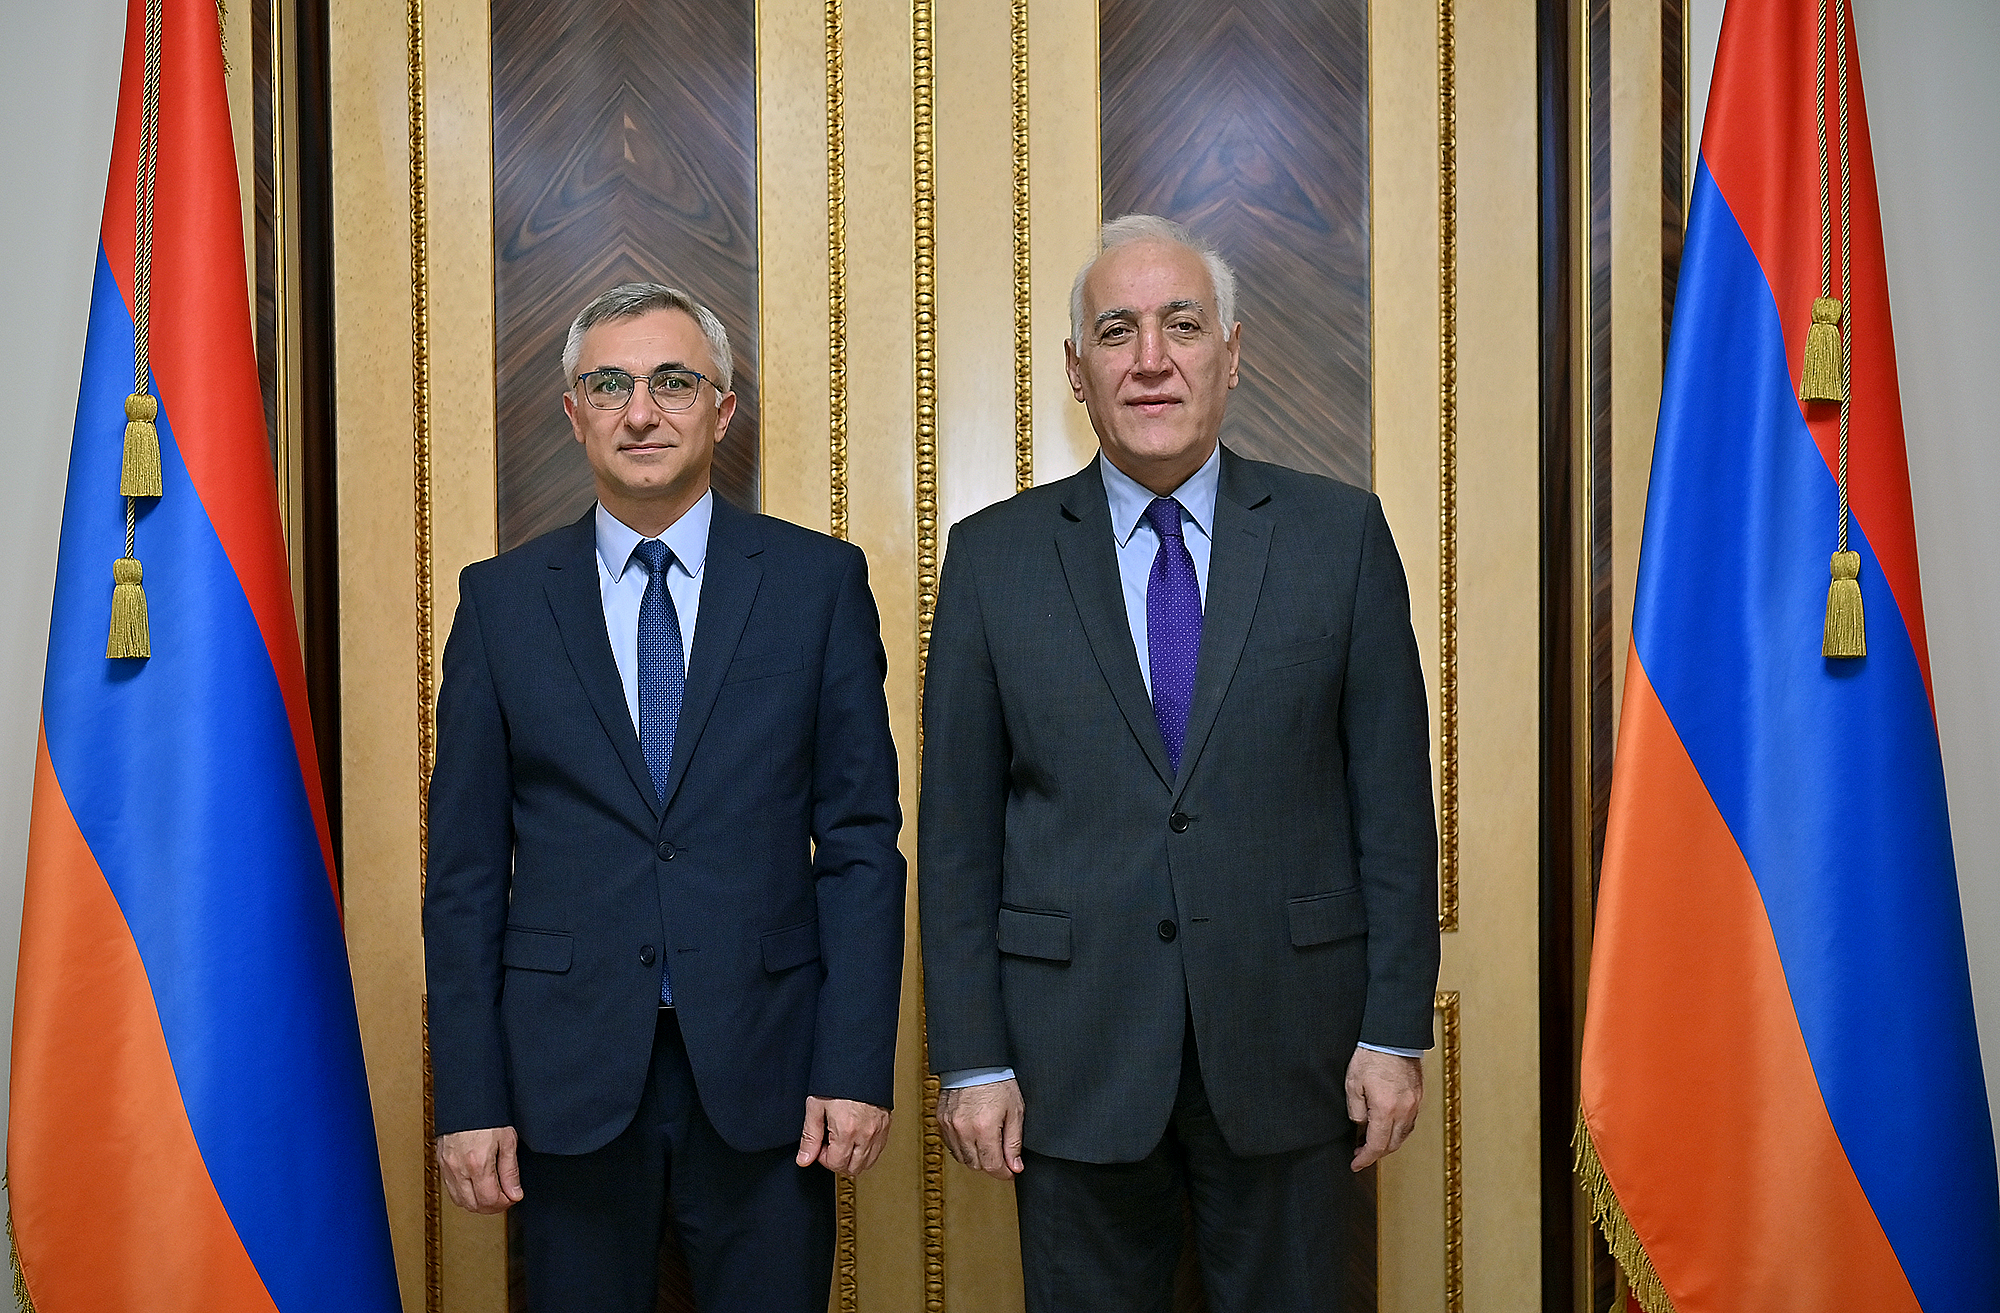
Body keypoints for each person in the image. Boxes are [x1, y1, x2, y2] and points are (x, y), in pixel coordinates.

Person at [919, 215, 1440, 1311]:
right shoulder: (991, 558)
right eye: (1117, 331)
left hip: (1293, 1048)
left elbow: (1391, 812)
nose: (1150, 358)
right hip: (1071, 1061)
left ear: (1231, 354)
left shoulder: (1339, 537)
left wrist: (1394, 1030)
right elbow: (957, 838)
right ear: (1076, 370)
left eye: (1182, 325)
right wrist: (971, 1058)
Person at [424, 283, 905, 1312]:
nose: (640, 412)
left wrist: (855, 1065)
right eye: (610, 385)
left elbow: (862, 845)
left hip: (772, 1076)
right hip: (564, 1080)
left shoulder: (817, 585)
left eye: (672, 383)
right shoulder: (500, 603)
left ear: (721, 410)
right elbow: (461, 877)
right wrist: (469, 1096)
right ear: (574, 412)